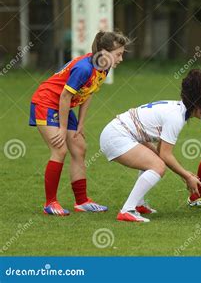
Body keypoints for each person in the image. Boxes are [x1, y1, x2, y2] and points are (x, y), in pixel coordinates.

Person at [29, 31, 130, 216]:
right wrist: (62, 128)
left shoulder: (103, 67)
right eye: (119, 54)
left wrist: (81, 123)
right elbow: (66, 96)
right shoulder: (84, 68)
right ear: (104, 52)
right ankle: (50, 203)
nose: (121, 58)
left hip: (62, 105)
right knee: (59, 149)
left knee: (79, 148)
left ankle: (81, 201)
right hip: (47, 102)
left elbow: (88, 93)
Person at [99, 69, 201, 222]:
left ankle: (138, 205)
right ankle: (127, 210)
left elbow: (160, 152)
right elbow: (165, 156)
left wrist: (184, 174)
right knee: (158, 166)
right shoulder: (176, 118)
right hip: (116, 136)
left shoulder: (177, 109)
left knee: (154, 161)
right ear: (198, 105)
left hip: (117, 133)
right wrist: (186, 176)